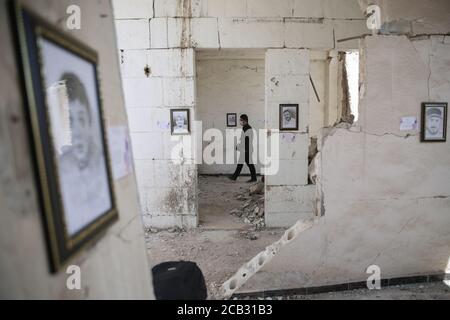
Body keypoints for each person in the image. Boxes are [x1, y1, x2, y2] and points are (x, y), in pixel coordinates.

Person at [229, 114, 257, 183]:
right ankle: (234, 177)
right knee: (241, 163)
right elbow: (244, 139)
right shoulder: (245, 128)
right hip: (246, 148)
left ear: (245, 120)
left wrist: (243, 149)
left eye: (241, 120)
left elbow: (247, 141)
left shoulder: (248, 128)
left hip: (247, 149)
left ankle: (253, 178)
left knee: (249, 164)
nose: (240, 121)